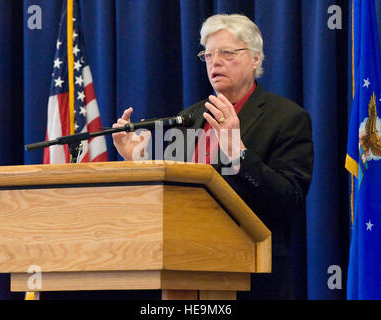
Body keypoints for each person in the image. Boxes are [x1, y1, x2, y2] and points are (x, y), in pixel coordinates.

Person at [112, 14, 314, 299]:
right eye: (208, 54)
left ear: (255, 59)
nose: (214, 62)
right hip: (184, 273)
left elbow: (288, 201)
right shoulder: (189, 117)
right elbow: (173, 196)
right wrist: (136, 162)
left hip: (252, 280)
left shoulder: (287, 118)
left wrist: (238, 153)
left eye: (227, 53)